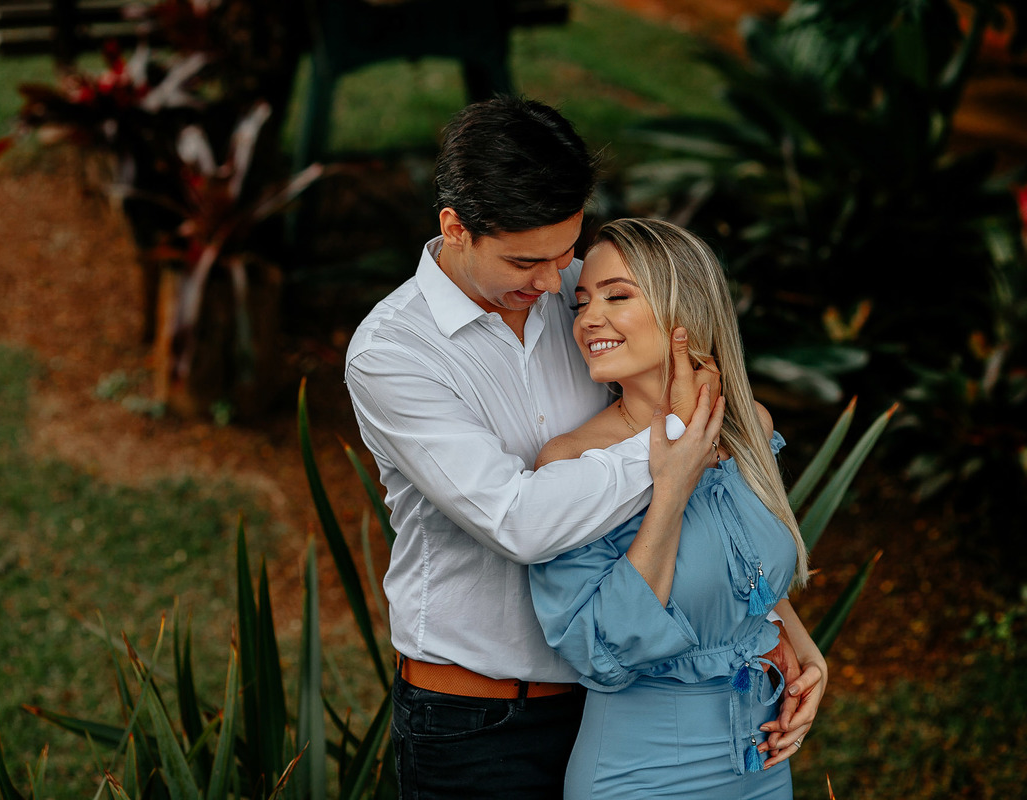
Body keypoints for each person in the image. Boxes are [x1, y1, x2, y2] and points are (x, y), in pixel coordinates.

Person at [345, 97, 821, 799]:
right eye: (527, 261)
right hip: (480, 722)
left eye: (565, 252)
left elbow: (703, 511)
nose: (554, 285)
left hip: (622, 703)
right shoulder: (393, 355)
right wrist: (680, 442)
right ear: (455, 229)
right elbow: (520, 521)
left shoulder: (581, 294)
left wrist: (781, 627)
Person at [528, 218, 828, 799]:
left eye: (617, 296)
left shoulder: (748, 427)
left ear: (683, 310)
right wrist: (670, 490)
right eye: (582, 302)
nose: (589, 318)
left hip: (759, 757)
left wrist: (804, 646)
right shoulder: (571, 463)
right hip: (638, 769)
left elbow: (749, 581)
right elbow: (605, 652)